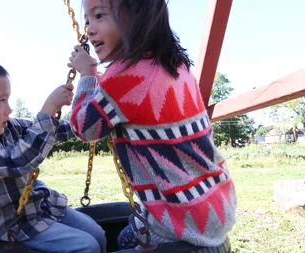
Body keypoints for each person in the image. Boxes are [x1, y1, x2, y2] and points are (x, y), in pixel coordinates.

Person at [68, 0, 236, 251]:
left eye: (99, 15)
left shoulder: (123, 74)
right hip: (217, 206)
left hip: (180, 222)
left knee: (121, 240)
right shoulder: (177, 66)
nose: (89, 29)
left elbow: (84, 128)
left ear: (138, 17)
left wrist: (88, 75)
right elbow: (133, 97)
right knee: (126, 231)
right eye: (88, 19)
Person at [0, 53, 107, 253]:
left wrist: (94, 113)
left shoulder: (7, 126)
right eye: (1, 100)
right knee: (86, 246)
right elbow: (19, 159)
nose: (9, 109)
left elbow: (59, 129)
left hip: (41, 208)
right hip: (11, 229)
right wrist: (50, 108)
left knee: (97, 234)